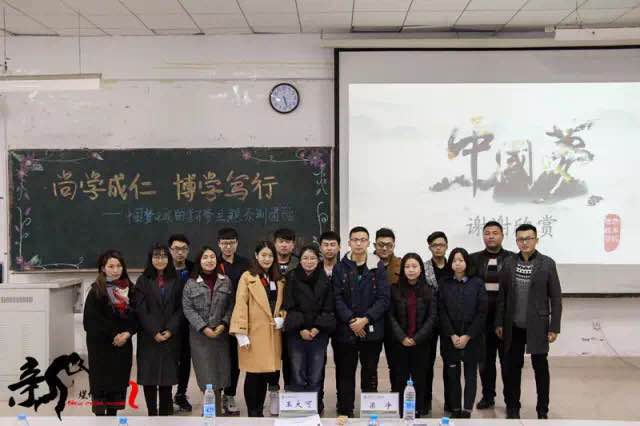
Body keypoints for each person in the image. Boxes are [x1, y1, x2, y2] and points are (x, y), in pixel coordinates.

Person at [496, 224, 562, 420]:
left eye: (528, 238)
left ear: (536, 240)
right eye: (520, 239)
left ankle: (542, 410)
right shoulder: (509, 263)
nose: (524, 242)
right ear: (516, 241)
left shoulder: (547, 263)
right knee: (512, 368)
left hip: (538, 326)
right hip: (513, 326)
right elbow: (502, 296)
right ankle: (512, 407)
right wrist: (499, 323)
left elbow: (556, 298)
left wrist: (554, 327)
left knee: (540, 368)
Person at [332, 226, 390, 417]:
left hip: (371, 330)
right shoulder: (340, 267)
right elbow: (336, 298)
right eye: (355, 240)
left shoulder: (377, 266)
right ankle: (345, 410)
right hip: (346, 330)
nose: (358, 243)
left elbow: (384, 298)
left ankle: (369, 410)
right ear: (349, 242)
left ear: (368, 243)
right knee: (345, 372)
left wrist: (365, 319)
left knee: (370, 371)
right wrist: (351, 320)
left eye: (362, 240)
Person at [230, 241, 286, 417]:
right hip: (254, 334)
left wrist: (282, 318)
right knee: (254, 374)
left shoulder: (279, 279)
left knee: (267, 373)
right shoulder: (248, 277)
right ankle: (254, 413)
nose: (267, 259)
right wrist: (240, 333)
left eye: (270, 255)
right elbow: (240, 304)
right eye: (263, 255)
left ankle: (260, 410)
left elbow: (284, 304)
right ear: (256, 256)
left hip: (273, 333)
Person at [182, 246, 235, 416]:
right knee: (206, 374)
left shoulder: (225, 281)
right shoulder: (191, 283)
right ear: (199, 261)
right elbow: (188, 308)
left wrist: (223, 324)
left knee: (220, 373)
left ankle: (216, 411)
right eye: (205, 257)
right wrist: (203, 328)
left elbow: (231, 305)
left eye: (212, 257)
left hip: (220, 334)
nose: (209, 260)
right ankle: (210, 413)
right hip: (200, 337)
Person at [83, 250, 137, 416]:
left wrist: (127, 333)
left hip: (122, 346)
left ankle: (113, 416)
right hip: (101, 347)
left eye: (119, 266)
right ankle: (100, 417)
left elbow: (137, 316)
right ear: (103, 268)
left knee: (117, 384)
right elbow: (90, 322)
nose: (115, 270)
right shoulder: (96, 291)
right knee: (101, 386)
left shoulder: (131, 289)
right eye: (111, 266)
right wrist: (114, 335)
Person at [283, 244, 335, 413]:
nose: (309, 261)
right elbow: (289, 305)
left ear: (318, 260)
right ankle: (300, 411)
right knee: (297, 372)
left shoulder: (325, 278)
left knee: (316, 374)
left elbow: (329, 307)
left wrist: (317, 328)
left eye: (312, 258)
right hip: (296, 333)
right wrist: (301, 329)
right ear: (300, 260)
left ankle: (314, 408)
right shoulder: (291, 277)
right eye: (305, 258)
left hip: (318, 334)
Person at [470, 221, 514, 410]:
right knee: (485, 361)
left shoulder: (512, 259)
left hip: (505, 319)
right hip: (482, 319)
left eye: (495, 233)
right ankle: (488, 396)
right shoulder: (473, 259)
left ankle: (511, 400)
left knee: (507, 362)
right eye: (487, 233)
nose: (491, 236)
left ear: (502, 235)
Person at [439, 248, 487, 419]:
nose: (457, 263)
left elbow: (482, 312)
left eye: (461, 260)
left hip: (472, 337)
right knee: (452, 375)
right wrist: (452, 335)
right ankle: (455, 408)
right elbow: (441, 311)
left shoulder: (477, 283)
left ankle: (467, 409)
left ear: (467, 262)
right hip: (450, 337)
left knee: (470, 375)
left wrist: (467, 336)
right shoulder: (445, 283)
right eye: (454, 260)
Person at [135, 243, 183, 416]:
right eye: (156, 256)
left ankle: (165, 414)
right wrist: (154, 331)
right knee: (149, 377)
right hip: (149, 337)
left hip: (170, 336)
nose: (160, 260)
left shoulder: (176, 280)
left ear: (169, 258)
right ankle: (152, 414)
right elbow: (140, 308)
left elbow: (181, 308)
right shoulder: (143, 280)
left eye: (163, 256)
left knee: (166, 379)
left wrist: (170, 330)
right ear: (151, 259)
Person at [387, 253, 437, 418]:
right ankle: (400, 410)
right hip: (399, 342)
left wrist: (416, 338)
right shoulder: (394, 289)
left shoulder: (429, 290)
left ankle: (417, 410)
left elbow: (432, 317)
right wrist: (402, 337)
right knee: (399, 376)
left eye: (414, 266)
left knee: (420, 377)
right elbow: (390, 316)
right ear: (402, 270)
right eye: (407, 267)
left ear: (421, 269)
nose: (411, 270)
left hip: (421, 343)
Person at [216, 227, 250, 416]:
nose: (228, 247)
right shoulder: (212, 262)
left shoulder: (245, 264)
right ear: (219, 244)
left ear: (237, 244)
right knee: (219, 359)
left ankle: (230, 395)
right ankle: (216, 395)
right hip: (216, 319)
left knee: (235, 360)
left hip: (238, 319)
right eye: (224, 243)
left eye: (231, 243)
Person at [423, 231, 453, 414]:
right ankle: (425, 401)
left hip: (450, 321)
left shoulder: (454, 266)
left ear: (446, 246)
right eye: (435, 245)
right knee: (427, 363)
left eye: (441, 244)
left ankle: (451, 402)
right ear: (430, 247)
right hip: (430, 320)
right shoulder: (424, 267)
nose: (438, 248)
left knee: (450, 363)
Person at [168, 234, 194, 412]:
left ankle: (181, 394)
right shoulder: (163, 268)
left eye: (183, 249)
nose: (180, 252)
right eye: (176, 249)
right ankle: (166, 394)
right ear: (170, 250)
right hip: (168, 323)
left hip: (189, 323)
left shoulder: (194, 268)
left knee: (185, 360)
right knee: (169, 360)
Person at [374, 227, 402, 392]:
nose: (384, 248)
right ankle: (371, 397)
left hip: (395, 322)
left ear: (394, 246)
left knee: (396, 364)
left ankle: (396, 395)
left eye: (389, 245)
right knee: (370, 364)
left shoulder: (401, 265)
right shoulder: (366, 263)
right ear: (374, 245)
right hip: (372, 321)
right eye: (381, 244)